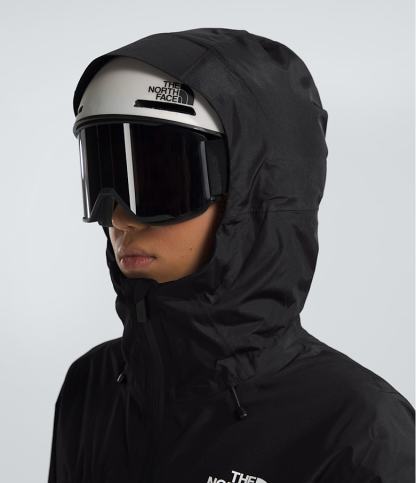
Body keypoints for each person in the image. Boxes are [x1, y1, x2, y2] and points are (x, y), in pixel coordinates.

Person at [48, 28, 415, 483]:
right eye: (105, 178)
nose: (119, 219)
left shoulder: (358, 432)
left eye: (158, 182)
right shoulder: (92, 387)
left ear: (253, 197)